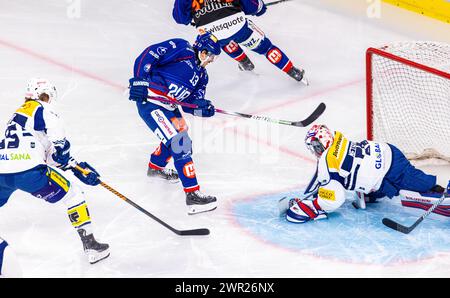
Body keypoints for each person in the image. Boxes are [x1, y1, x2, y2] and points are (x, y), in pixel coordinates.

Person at [0, 78, 110, 264]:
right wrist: (63, 149)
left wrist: (78, 168)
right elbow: (58, 140)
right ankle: (91, 246)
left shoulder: (20, 116)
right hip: (29, 171)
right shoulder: (42, 108)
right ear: (45, 95)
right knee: (74, 195)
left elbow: (50, 155)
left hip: (2, 171)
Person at [127, 33, 219, 215]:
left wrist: (203, 108)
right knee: (179, 143)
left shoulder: (202, 76)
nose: (211, 60)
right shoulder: (182, 48)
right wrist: (139, 80)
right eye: (209, 55)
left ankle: (155, 168)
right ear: (201, 49)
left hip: (171, 108)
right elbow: (148, 54)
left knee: (183, 139)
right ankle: (192, 194)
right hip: (152, 102)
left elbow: (191, 106)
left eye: (213, 57)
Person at [282, 124, 450, 223]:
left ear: (320, 144)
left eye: (315, 147)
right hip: (385, 152)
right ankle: (373, 193)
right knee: (381, 180)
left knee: (419, 183)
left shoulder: (328, 161)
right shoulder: (336, 138)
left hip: (389, 168)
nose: (315, 151)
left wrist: (315, 206)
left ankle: (444, 193)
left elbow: (334, 195)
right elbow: (327, 176)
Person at [172, 0, 309, 84]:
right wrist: (260, 7)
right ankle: (292, 71)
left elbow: (180, 18)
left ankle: (245, 62)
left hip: (211, 33)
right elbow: (254, 7)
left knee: (222, 39)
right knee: (266, 48)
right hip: (237, 25)